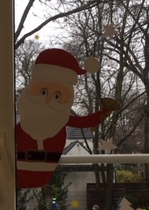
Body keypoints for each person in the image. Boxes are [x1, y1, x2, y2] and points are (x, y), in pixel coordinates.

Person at [15, 48, 119, 189]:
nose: (48, 100)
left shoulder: (59, 119)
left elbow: (83, 122)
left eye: (57, 96)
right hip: (21, 168)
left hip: (45, 169)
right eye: (43, 92)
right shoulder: (26, 123)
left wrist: (103, 113)